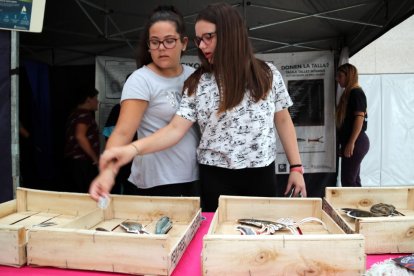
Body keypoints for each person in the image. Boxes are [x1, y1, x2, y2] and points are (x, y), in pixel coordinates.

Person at [90, 3, 306, 211]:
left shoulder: (267, 74)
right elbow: (174, 129)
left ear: (231, 34)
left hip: (262, 172)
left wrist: (296, 167)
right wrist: (132, 149)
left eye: (208, 37)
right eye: (199, 39)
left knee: (261, 237)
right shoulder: (198, 82)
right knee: (217, 239)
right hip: (215, 177)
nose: (201, 46)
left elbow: (283, 120)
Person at [91, 6, 199, 198]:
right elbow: (123, 131)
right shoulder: (141, 79)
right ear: (148, 46)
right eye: (155, 42)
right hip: (156, 180)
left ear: (183, 43)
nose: (161, 48)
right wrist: (109, 171)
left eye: (169, 41)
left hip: (195, 176)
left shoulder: (194, 77)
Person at [336, 63, 369, 187]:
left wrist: (351, 142)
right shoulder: (349, 93)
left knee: (348, 181)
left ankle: (351, 206)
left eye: (340, 76)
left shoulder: (356, 93)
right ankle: (357, 205)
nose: (337, 79)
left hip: (357, 141)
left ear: (349, 76)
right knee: (353, 180)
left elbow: (359, 119)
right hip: (353, 141)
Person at [63, 88, 100, 193]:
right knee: (84, 193)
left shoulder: (74, 113)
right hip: (81, 163)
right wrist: (95, 158)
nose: (97, 101)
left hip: (74, 163)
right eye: (95, 98)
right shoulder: (84, 115)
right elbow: (80, 136)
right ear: (88, 100)